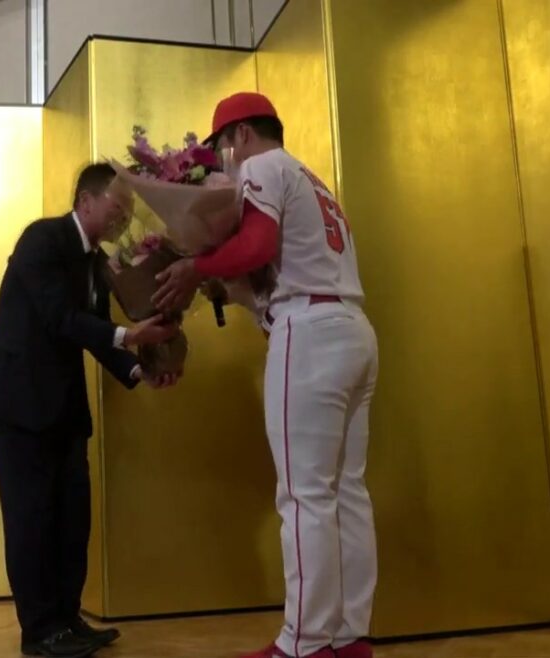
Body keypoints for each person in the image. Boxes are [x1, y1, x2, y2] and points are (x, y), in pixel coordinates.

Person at [153, 93, 379, 658]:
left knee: (304, 495)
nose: (223, 160)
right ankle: (349, 636)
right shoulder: (312, 180)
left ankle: (303, 643)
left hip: (311, 334)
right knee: (347, 492)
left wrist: (197, 267)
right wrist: (232, 287)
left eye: (221, 146)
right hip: (353, 329)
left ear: (241, 135)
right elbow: (279, 261)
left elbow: (258, 244)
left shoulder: (261, 166)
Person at [0, 163, 179, 658]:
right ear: (86, 201)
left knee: (72, 519)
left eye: (128, 211)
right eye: (118, 207)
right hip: (19, 404)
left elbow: (97, 330)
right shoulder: (41, 240)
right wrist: (130, 335)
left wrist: (140, 369)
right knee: (31, 519)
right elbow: (60, 318)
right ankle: (39, 631)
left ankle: (66, 619)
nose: (123, 219)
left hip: (63, 407)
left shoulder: (96, 263)